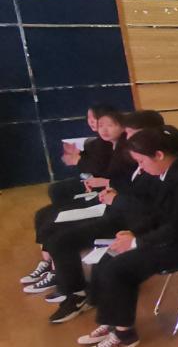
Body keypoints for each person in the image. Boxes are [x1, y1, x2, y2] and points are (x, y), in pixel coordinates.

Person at [76, 126, 178, 347]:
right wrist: (133, 233)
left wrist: (136, 242)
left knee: (119, 268)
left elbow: (177, 227)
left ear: (159, 155)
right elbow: (159, 214)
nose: (140, 167)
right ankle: (114, 322)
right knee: (109, 259)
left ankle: (125, 336)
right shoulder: (171, 172)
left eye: (141, 161)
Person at [44, 111, 166, 323]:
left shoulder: (157, 161)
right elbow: (129, 186)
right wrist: (114, 190)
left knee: (105, 261)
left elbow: (152, 208)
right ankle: (76, 293)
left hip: (135, 223)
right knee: (58, 238)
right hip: (120, 214)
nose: (127, 137)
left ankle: (110, 319)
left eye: (131, 132)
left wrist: (116, 198)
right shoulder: (131, 153)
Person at [26, 108, 136, 297]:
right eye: (98, 123)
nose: (101, 128)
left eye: (109, 125)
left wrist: (106, 184)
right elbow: (112, 177)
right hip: (110, 201)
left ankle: (69, 286)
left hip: (116, 209)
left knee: (57, 230)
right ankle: (52, 266)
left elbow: (129, 188)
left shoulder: (129, 150)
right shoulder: (110, 146)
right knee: (46, 216)